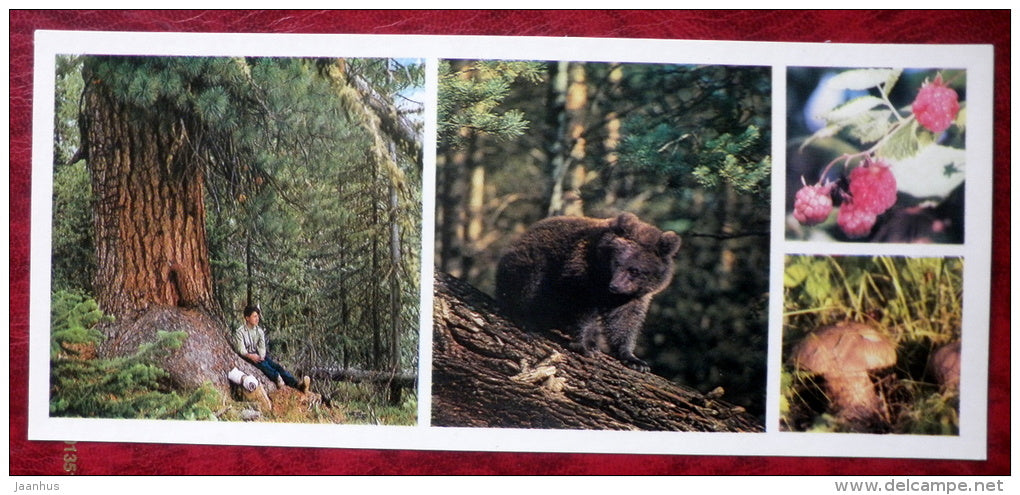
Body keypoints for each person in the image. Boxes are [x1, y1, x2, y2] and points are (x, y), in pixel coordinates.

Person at [231, 305, 310, 393]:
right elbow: (241, 349)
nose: (257, 318)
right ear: (247, 318)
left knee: (276, 366)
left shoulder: (259, 331)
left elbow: (262, 347)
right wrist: (250, 356)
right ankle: (277, 378)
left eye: (257, 316)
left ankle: (297, 384)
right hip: (247, 356)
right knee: (265, 366)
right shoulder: (240, 332)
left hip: (258, 355)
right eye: (254, 316)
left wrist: (261, 356)